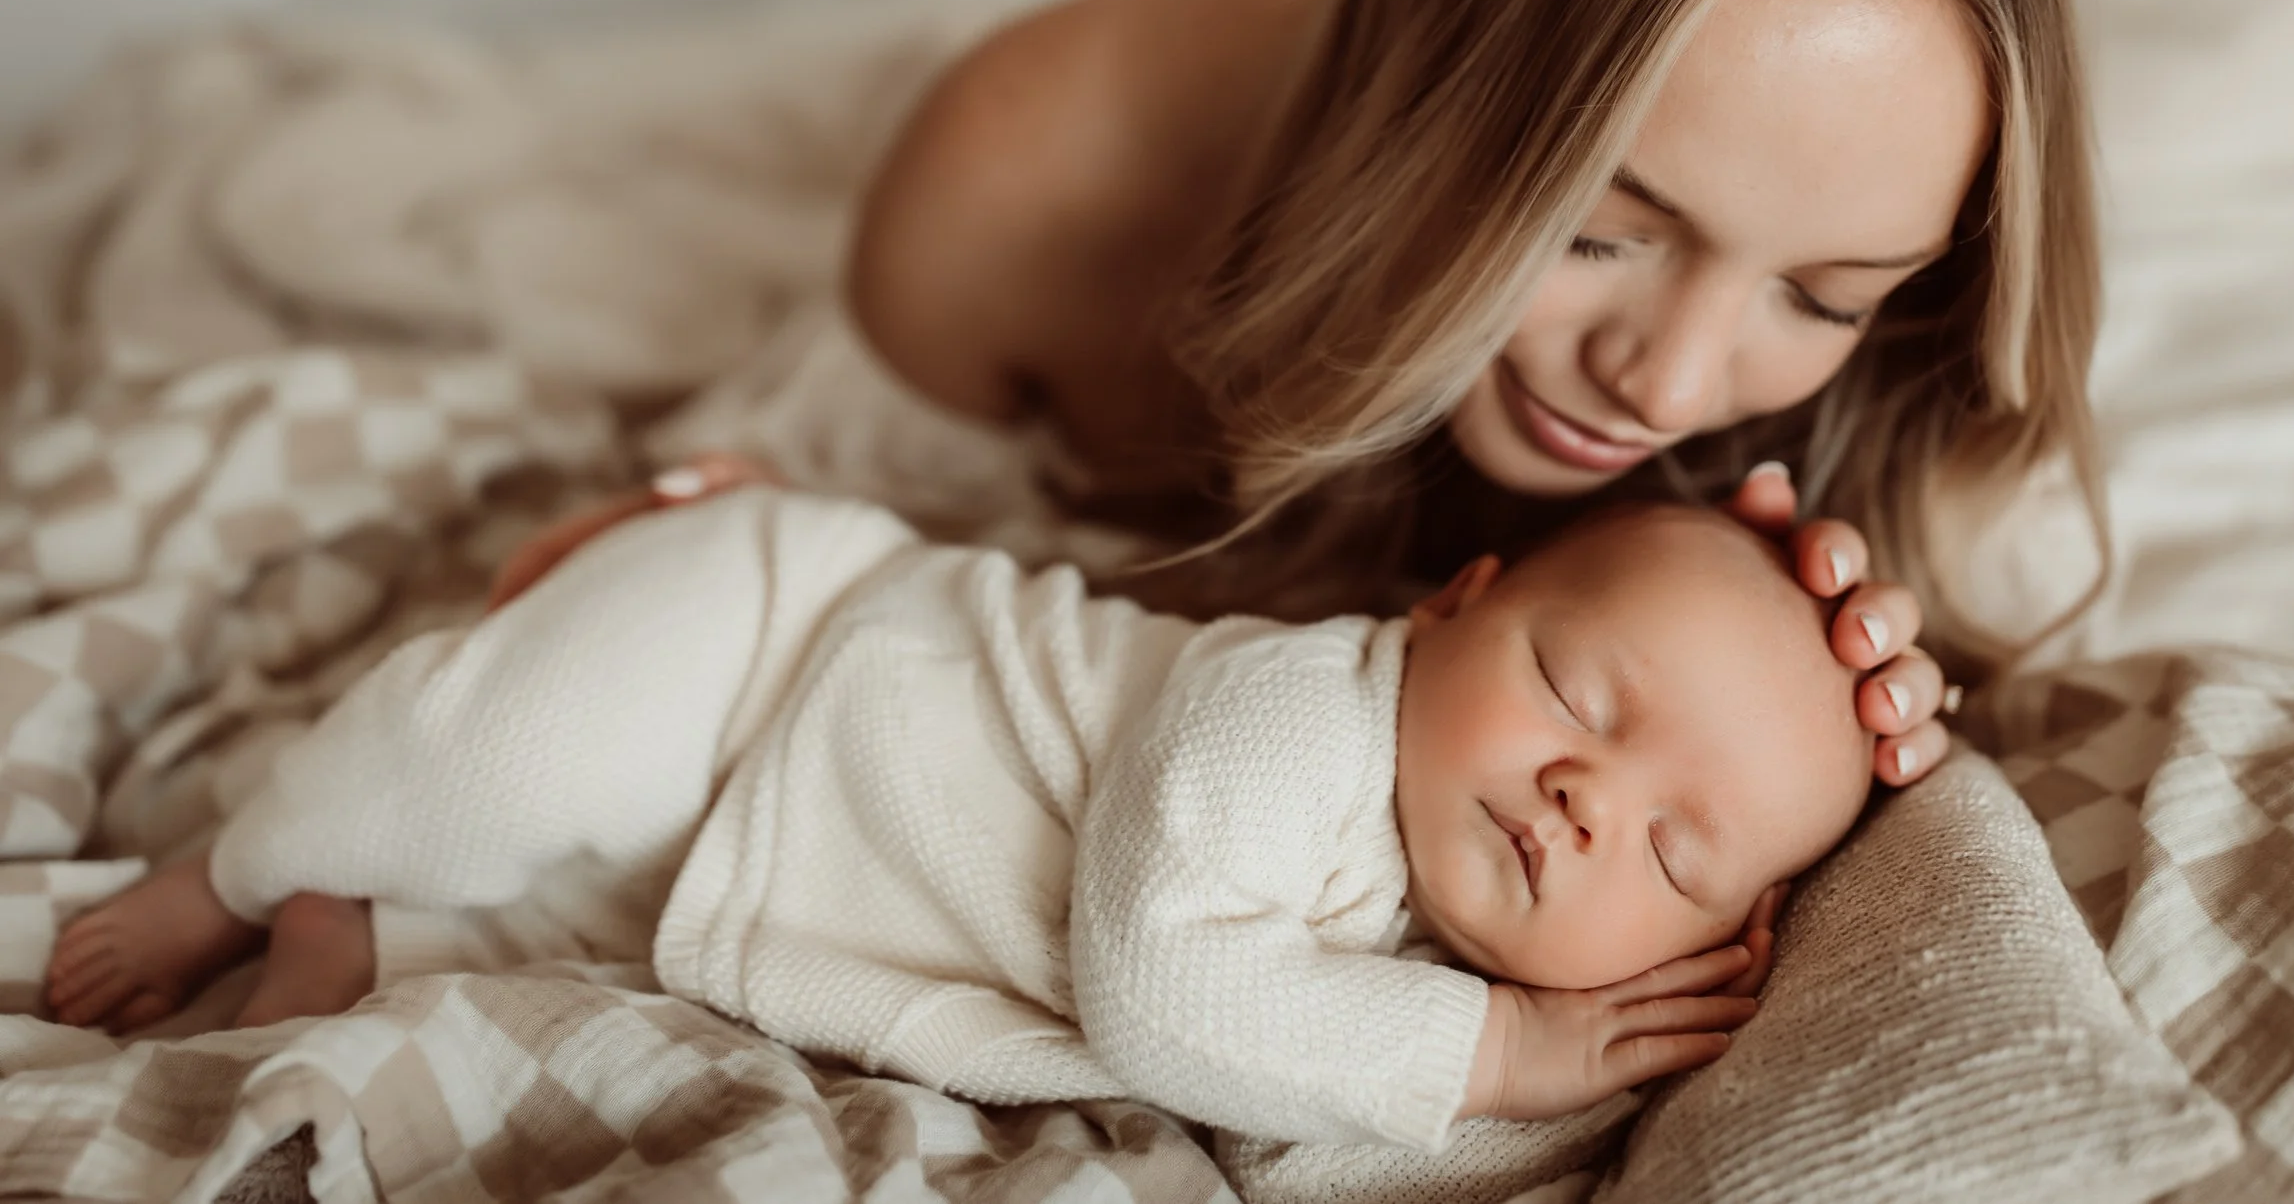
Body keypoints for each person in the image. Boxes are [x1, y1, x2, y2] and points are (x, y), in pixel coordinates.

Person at [512, 0, 2107, 796]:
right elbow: (756, 568)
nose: (1673, 380)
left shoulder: (1913, 344)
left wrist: (1851, 716)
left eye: (1822, 292)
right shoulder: (1020, 190)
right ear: (1431, 56)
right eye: (1600, 226)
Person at [44, 487, 1867, 1157]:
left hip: (788, 848)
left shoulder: (1439, 919)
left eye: (1674, 852)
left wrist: (1528, 1073)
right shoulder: (1305, 712)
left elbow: (1335, 1109)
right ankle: (234, 868)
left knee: (601, 912)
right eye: (1578, 692)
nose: (1585, 793)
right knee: (504, 758)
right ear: (1454, 601)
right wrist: (1502, 1048)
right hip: (784, 636)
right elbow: (1168, 997)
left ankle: (370, 941)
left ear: (1720, 937)